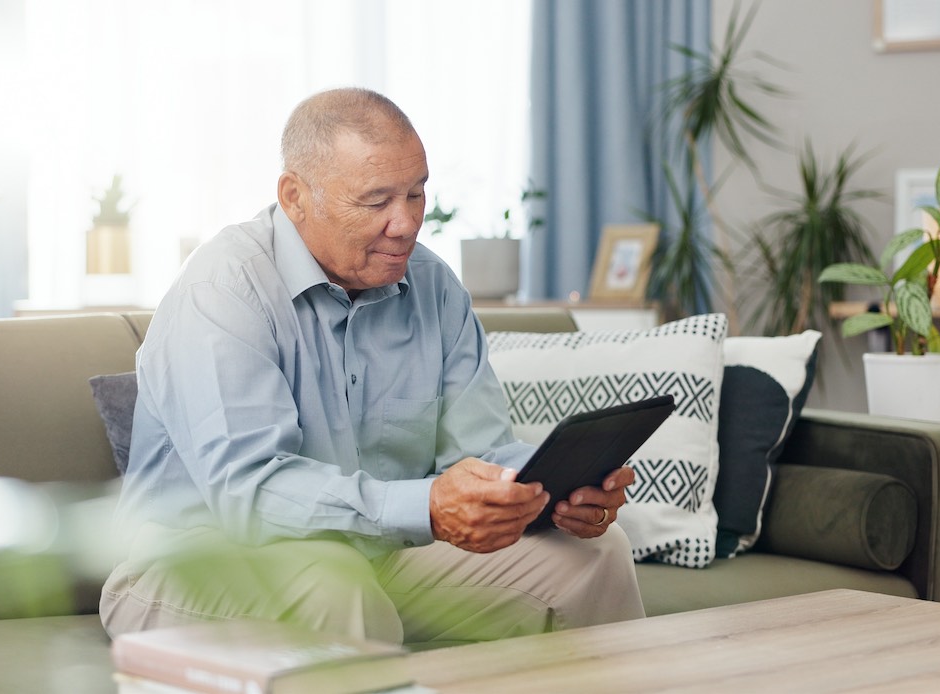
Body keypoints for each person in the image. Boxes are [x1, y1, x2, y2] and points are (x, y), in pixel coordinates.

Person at [100, 87, 644, 646]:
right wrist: (425, 507)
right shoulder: (223, 289)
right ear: (295, 197)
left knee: (595, 554)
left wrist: (548, 489)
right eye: (376, 201)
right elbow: (249, 493)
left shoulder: (433, 287)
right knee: (335, 586)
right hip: (197, 564)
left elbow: (478, 451)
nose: (406, 223)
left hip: (374, 556)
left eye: (416, 193)